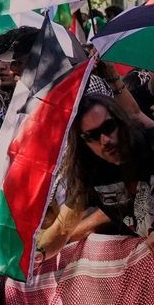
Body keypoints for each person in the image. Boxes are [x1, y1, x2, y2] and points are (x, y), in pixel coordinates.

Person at [37, 95, 154, 259]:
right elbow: (62, 230)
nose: (105, 140)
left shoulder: (150, 143)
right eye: (92, 136)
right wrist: (38, 255)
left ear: (121, 120)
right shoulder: (90, 172)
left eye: (109, 126)